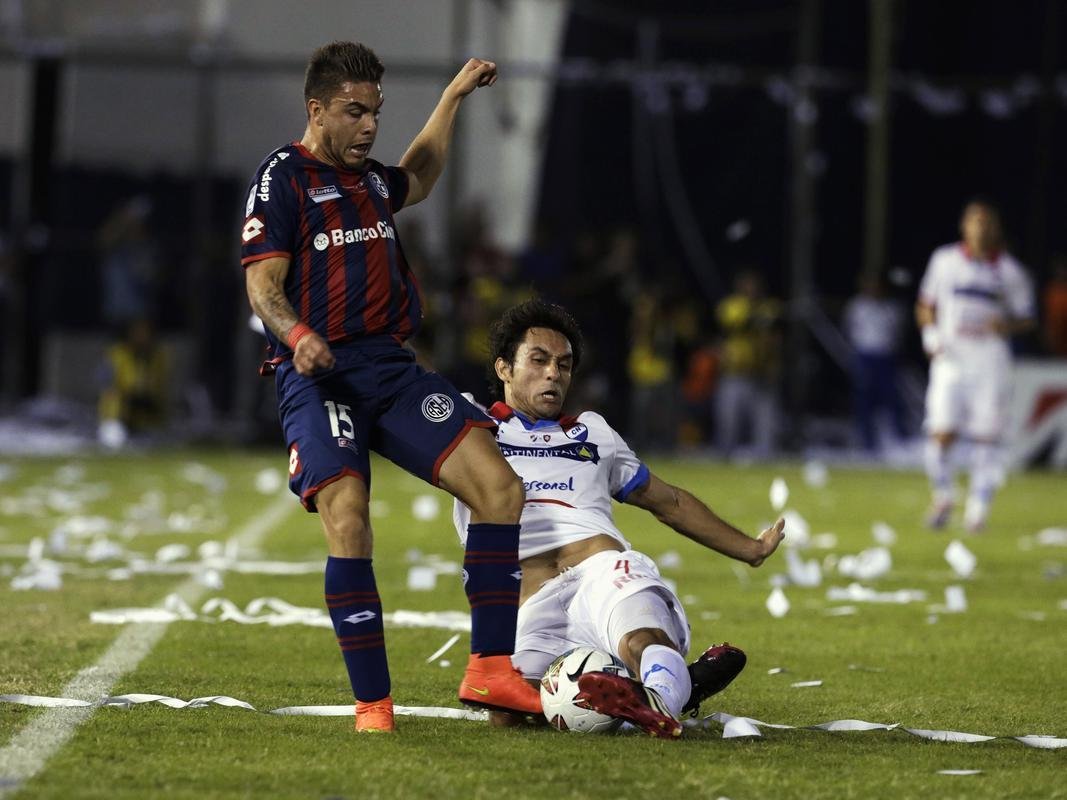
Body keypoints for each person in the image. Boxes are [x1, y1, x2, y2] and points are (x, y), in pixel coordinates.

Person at [240, 41, 541, 733]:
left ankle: (490, 669)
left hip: (389, 369)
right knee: (349, 520)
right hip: (318, 378)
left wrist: (453, 96)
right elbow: (262, 286)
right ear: (317, 110)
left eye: (376, 111)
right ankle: (373, 705)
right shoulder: (283, 179)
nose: (370, 125)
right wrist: (298, 336)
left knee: (500, 490)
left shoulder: (371, 182)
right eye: (355, 112)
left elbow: (421, 173)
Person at [453, 300, 786, 738]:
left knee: (641, 638)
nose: (553, 373)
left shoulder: (593, 432)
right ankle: (676, 690)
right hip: (527, 602)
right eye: (538, 360)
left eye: (564, 365)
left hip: (603, 571)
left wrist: (751, 549)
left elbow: (668, 501)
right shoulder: (469, 426)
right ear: (504, 368)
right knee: (508, 714)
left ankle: (659, 695)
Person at [915, 199, 1035, 532]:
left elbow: (1027, 317)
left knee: (986, 438)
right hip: (951, 360)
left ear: (996, 229)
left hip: (989, 362)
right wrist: (930, 336)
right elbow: (925, 305)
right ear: (964, 227)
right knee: (941, 432)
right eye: (976, 222)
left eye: (987, 223)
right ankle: (943, 496)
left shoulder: (1010, 271)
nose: (981, 229)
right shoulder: (945, 261)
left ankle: (978, 511)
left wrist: (1006, 326)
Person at [713, 269, 783, 459]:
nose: (751, 289)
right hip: (734, 373)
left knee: (766, 427)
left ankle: (765, 462)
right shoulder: (731, 306)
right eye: (747, 285)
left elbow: (776, 335)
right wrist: (757, 315)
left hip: (760, 374)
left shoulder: (769, 307)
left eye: (754, 285)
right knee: (728, 425)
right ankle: (723, 461)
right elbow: (735, 323)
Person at [843, 273, 907, 454]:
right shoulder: (857, 306)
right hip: (864, 356)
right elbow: (849, 329)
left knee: (892, 398)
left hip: (886, 357)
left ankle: (899, 439)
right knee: (864, 399)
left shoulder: (892, 307)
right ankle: (867, 442)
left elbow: (898, 332)